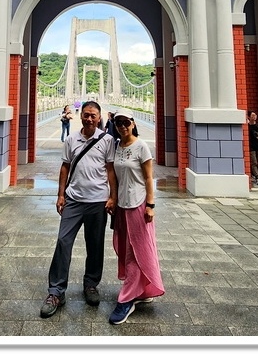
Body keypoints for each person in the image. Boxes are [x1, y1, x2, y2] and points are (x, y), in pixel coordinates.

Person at [40, 100, 116, 318]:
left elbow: (111, 170)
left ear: (99, 118)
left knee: (95, 245)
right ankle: (56, 291)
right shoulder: (72, 139)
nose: (89, 118)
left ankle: (91, 284)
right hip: (73, 199)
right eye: (86, 114)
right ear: (80, 115)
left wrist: (113, 197)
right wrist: (60, 194)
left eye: (93, 115)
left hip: (98, 201)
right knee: (63, 242)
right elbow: (65, 167)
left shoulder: (107, 140)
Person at [107, 110, 165, 325]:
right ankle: (143, 289)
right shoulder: (116, 146)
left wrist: (150, 205)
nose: (122, 126)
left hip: (139, 206)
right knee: (125, 247)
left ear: (133, 123)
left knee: (136, 251)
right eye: (118, 123)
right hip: (122, 206)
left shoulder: (141, 146)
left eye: (125, 122)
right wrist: (112, 198)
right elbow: (113, 176)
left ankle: (126, 299)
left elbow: (149, 178)